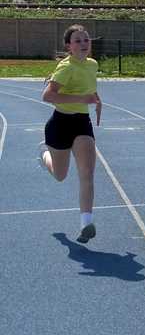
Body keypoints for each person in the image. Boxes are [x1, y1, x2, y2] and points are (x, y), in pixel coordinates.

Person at [39, 24, 102, 243]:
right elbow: (47, 96)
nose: (83, 44)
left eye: (86, 40)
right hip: (60, 124)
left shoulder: (93, 65)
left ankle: (86, 223)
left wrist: (96, 99)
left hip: (82, 123)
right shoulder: (66, 67)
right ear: (69, 46)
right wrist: (81, 99)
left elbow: (89, 86)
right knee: (60, 175)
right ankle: (44, 155)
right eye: (78, 41)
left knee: (87, 173)